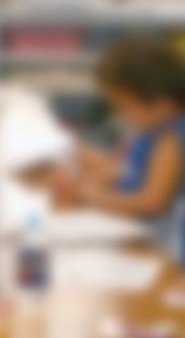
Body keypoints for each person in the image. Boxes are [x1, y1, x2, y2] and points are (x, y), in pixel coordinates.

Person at [54, 37, 185, 259]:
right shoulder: (150, 129)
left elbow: (152, 202)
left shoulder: (169, 139)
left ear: (161, 101)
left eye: (125, 107)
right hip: (135, 232)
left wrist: (91, 196)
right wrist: (89, 178)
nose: (124, 116)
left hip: (158, 247)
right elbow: (125, 170)